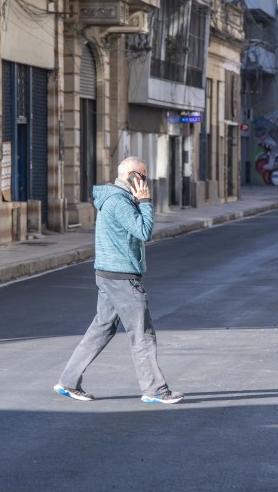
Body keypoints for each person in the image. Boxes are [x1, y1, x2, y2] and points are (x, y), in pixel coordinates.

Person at [54, 156, 184, 404]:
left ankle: (68, 381)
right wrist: (145, 202)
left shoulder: (114, 198)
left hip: (107, 274)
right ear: (132, 177)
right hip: (123, 277)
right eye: (143, 177)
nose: (146, 183)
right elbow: (144, 231)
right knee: (142, 334)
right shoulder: (119, 202)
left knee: (102, 328)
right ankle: (155, 390)